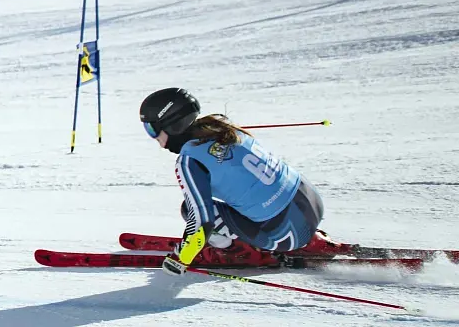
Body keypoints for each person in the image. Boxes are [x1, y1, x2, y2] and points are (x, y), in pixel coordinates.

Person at [139, 88, 344, 274]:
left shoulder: (189, 161)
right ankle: (310, 238)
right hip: (311, 204)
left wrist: (181, 259)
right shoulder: (225, 130)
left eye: (152, 129)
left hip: (287, 234)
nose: (153, 137)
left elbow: (203, 221)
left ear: (172, 125)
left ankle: (235, 251)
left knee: (189, 209)